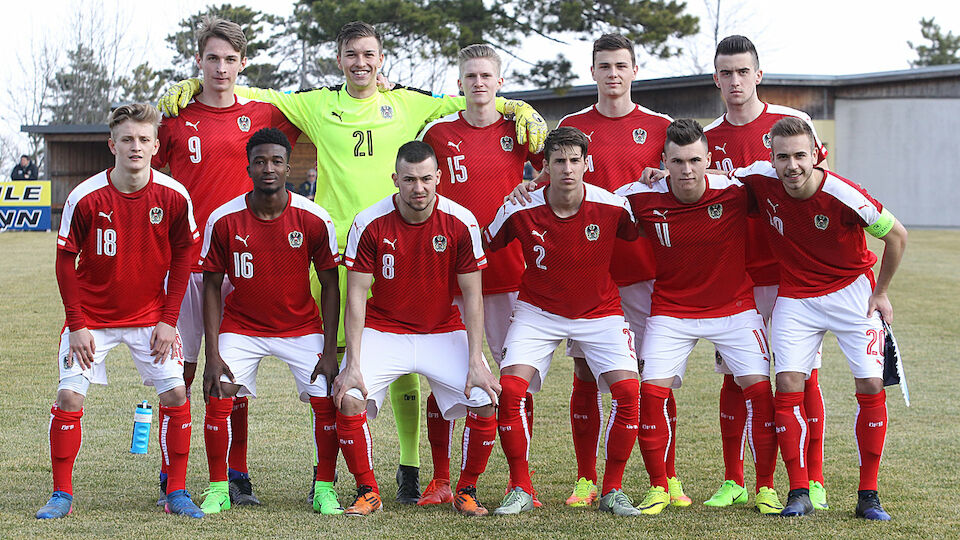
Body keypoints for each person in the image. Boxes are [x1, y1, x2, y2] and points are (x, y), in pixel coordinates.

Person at [158, 21, 546, 501]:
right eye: (351, 55)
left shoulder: (408, 104)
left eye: (369, 55)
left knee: (407, 353)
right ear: (339, 59)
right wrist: (194, 85)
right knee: (344, 368)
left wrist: (515, 104)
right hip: (335, 253)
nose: (361, 63)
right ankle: (334, 479)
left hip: (401, 247)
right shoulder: (318, 104)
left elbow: (464, 100)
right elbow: (258, 93)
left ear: (381, 60)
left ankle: (410, 466)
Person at [509, 34, 687, 509]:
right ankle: (589, 479)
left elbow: (682, 178)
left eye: (621, 65)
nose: (613, 74)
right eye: (604, 66)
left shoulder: (660, 126)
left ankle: (663, 475)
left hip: (643, 267)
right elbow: (542, 179)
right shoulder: (571, 125)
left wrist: (660, 177)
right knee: (586, 370)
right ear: (593, 71)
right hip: (581, 273)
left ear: (634, 71)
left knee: (652, 375)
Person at [151, 16, 302, 507]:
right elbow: (146, 181)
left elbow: (333, 109)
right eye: (211, 59)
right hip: (186, 266)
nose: (221, 68)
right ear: (198, 62)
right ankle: (170, 476)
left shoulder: (265, 113)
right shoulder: (173, 116)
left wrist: (381, 83)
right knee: (181, 374)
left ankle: (236, 474)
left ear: (243, 64)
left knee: (232, 376)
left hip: (244, 265)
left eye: (230, 59)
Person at [733, 117, 907, 519]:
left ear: (816, 154)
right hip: (796, 296)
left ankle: (868, 496)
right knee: (789, 382)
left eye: (799, 155)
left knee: (870, 383)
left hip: (852, 294)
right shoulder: (760, 179)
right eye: (782, 157)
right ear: (771, 158)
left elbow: (897, 235)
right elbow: (712, 176)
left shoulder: (845, 194)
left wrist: (880, 291)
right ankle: (798, 491)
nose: (791, 165)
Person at [36, 103, 202, 519]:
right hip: (92, 321)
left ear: (155, 147)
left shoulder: (174, 195)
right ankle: (62, 495)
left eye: (144, 140)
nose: (135, 147)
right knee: (69, 396)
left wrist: (169, 319)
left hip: (151, 320)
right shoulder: (85, 196)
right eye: (127, 139)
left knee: (177, 392)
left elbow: (185, 253)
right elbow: (64, 261)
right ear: (112, 144)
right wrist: (76, 325)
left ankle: (176, 492)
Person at [618, 119, 781, 516]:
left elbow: (793, 176)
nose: (687, 170)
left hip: (735, 309)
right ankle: (659, 487)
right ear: (663, 161)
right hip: (671, 311)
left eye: (694, 160)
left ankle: (765, 487)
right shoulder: (638, 195)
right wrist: (535, 185)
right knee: (650, 395)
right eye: (677, 161)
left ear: (709, 160)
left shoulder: (737, 189)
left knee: (760, 395)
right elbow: (585, 201)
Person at [331, 141, 499, 516]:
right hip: (385, 328)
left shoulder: (461, 220)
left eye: (426, 178)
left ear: (439, 177)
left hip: (441, 330)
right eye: (409, 179)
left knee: (485, 398)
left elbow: (473, 295)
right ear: (395, 179)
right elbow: (356, 295)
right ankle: (367, 491)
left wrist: (476, 358)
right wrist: (353, 362)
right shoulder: (369, 221)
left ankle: (467, 489)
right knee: (348, 396)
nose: (418, 188)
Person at [703, 35, 832, 511]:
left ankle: (811, 478)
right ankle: (735, 478)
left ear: (758, 74)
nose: (734, 81)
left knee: (803, 377)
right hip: (734, 277)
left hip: (792, 275)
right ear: (715, 78)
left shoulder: (790, 127)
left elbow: (821, 191)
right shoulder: (707, 139)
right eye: (726, 73)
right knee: (738, 376)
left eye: (743, 71)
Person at [485, 127, 642, 517]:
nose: (568, 169)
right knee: (510, 390)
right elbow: (483, 245)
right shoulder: (519, 208)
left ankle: (612, 490)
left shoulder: (614, 206)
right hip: (537, 312)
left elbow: (636, 233)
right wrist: (509, 194)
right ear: (545, 167)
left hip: (600, 312)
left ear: (587, 164)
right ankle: (520, 487)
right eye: (559, 161)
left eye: (575, 160)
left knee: (629, 395)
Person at [415, 43, 538, 506]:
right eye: (471, 76)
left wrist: (531, 187)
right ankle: (443, 479)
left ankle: (518, 479)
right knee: (444, 377)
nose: (479, 83)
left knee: (513, 380)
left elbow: (560, 172)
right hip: (446, 272)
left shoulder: (520, 129)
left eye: (487, 75)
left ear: (500, 82)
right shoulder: (439, 131)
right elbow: (416, 179)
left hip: (508, 272)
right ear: (460, 83)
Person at [196, 128, 342, 515]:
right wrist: (212, 353)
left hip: (301, 327)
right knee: (220, 389)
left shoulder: (313, 218)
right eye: (260, 161)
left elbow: (330, 285)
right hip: (242, 326)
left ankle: (324, 486)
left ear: (289, 165)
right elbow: (211, 287)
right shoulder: (223, 219)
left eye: (276, 161)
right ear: (248, 166)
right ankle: (218, 487)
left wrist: (329, 350)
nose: (268, 168)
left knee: (326, 393)